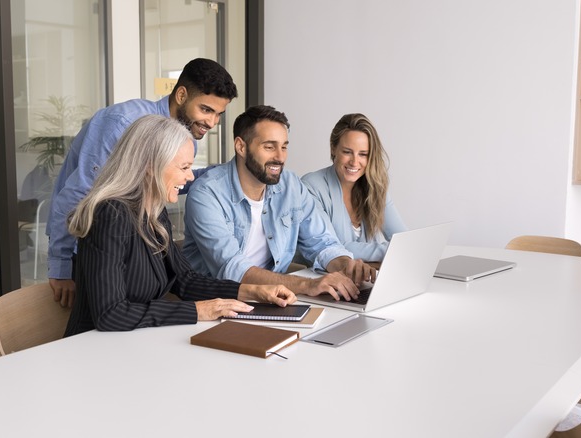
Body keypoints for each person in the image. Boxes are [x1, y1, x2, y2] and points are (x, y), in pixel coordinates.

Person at [63, 115, 295, 333]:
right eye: (184, 168)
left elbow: (184, 280)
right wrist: (198, 310)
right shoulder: (110, 215)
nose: (191, 177)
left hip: (135, 344)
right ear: (150, 167)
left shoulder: (153, 210)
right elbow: (111, 314)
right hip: (93, 353)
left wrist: (252, 291)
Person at [47, 58, 238, 308]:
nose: (212, 123)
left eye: (219, 114)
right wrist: (60, 266)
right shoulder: (122, 123)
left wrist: (226, 171)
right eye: (206, 110)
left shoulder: (186, 134)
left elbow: (167, 180)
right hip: (85, 247)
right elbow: (79, 193)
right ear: (181, 95)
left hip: (129, 245)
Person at [182, 105, 376, 302]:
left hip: (275, 301)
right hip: (217, 305)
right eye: (269, 147)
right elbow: (232, 269)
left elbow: (322, 242)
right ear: (241, 146)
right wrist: (307, 285)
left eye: (284, 146)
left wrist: (345, 266)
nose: (280, 157)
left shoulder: (291, 185)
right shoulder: (206, 193)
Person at [301, 113, 406, 262]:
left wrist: (401, 250)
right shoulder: (311, 186)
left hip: (366, 279)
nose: (355, 162)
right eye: (347, 152)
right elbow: (332, 247)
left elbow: (403, 240)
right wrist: (390, 251)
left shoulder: (375, 186)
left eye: (363, 154)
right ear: (333, 149)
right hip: (323, 279)